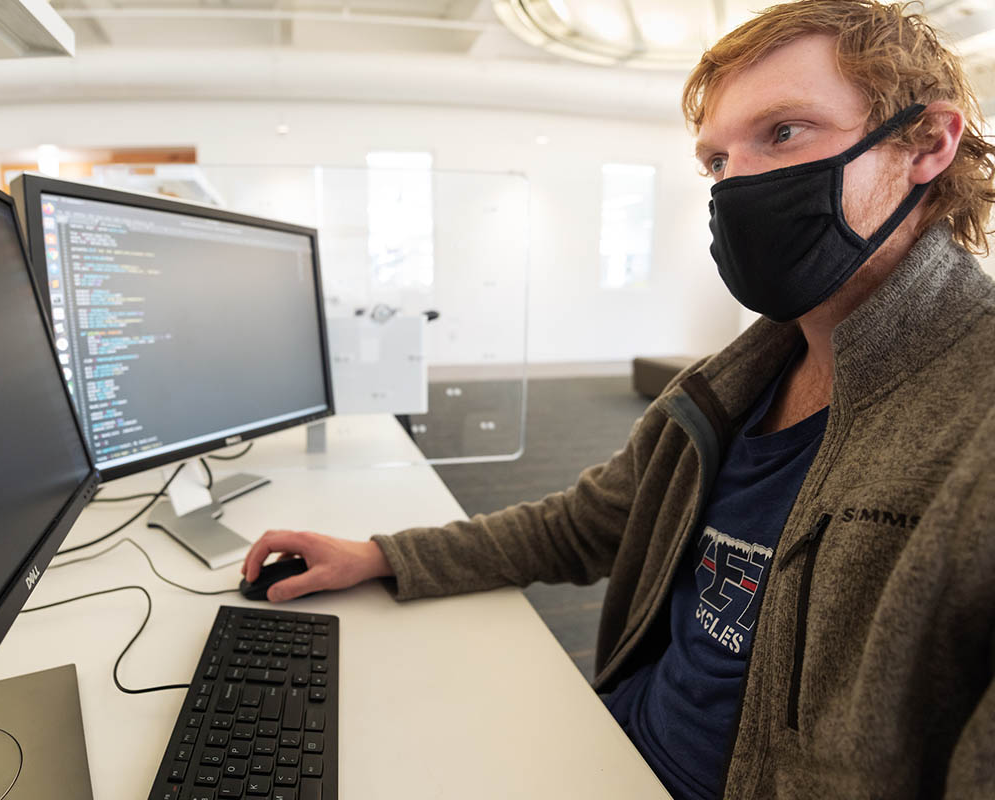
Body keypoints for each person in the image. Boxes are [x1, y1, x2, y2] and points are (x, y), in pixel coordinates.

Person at [241, 1, 995, 797]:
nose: (736, 185)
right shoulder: (727, 389)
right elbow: (581, 525)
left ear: (928, 144)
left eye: (783, 132)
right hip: (614, 738)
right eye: (716, 161)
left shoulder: (973, 430)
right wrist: (384, 556)